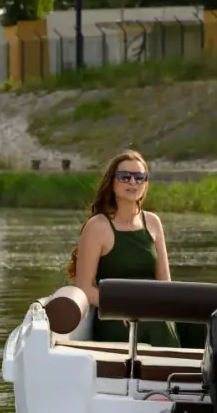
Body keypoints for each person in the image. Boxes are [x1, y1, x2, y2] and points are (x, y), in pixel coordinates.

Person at [65, 149, 181, 348]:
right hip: (115, 315)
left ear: (146, 183)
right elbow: (84, 287)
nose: (133, 182)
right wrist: (123, 307)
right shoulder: (97, 226)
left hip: (151, 309)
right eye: (125, 177)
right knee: (156, 325)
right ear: (112, 182)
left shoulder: (153, 222)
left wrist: (155, 308)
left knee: (202, 326)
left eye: (139, 177)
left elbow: (165, 283)